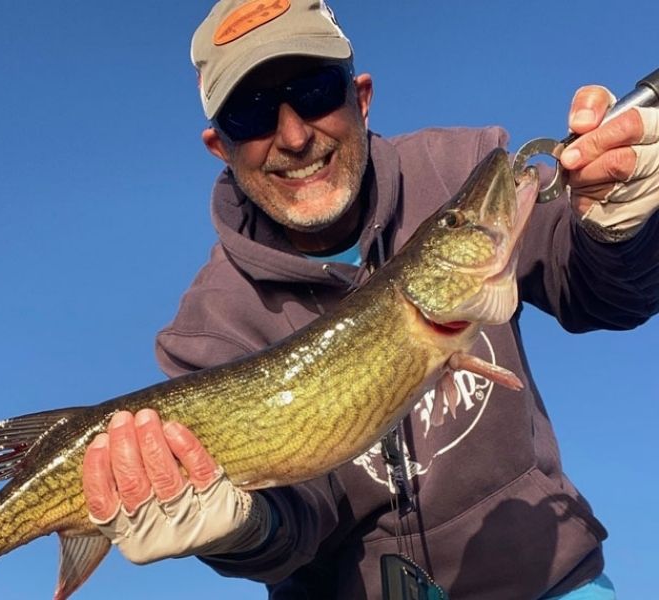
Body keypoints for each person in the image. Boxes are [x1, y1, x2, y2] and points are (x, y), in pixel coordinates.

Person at [81, 1, 659, 598]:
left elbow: (602, 294)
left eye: (313, 90)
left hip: (546, 580)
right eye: (251, 114)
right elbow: (292, 527)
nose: (295, 136)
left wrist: (621, 229)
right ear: (219, 147)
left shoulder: (453, 168)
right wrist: (242, 530)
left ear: (359, 96)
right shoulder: (206, 328)